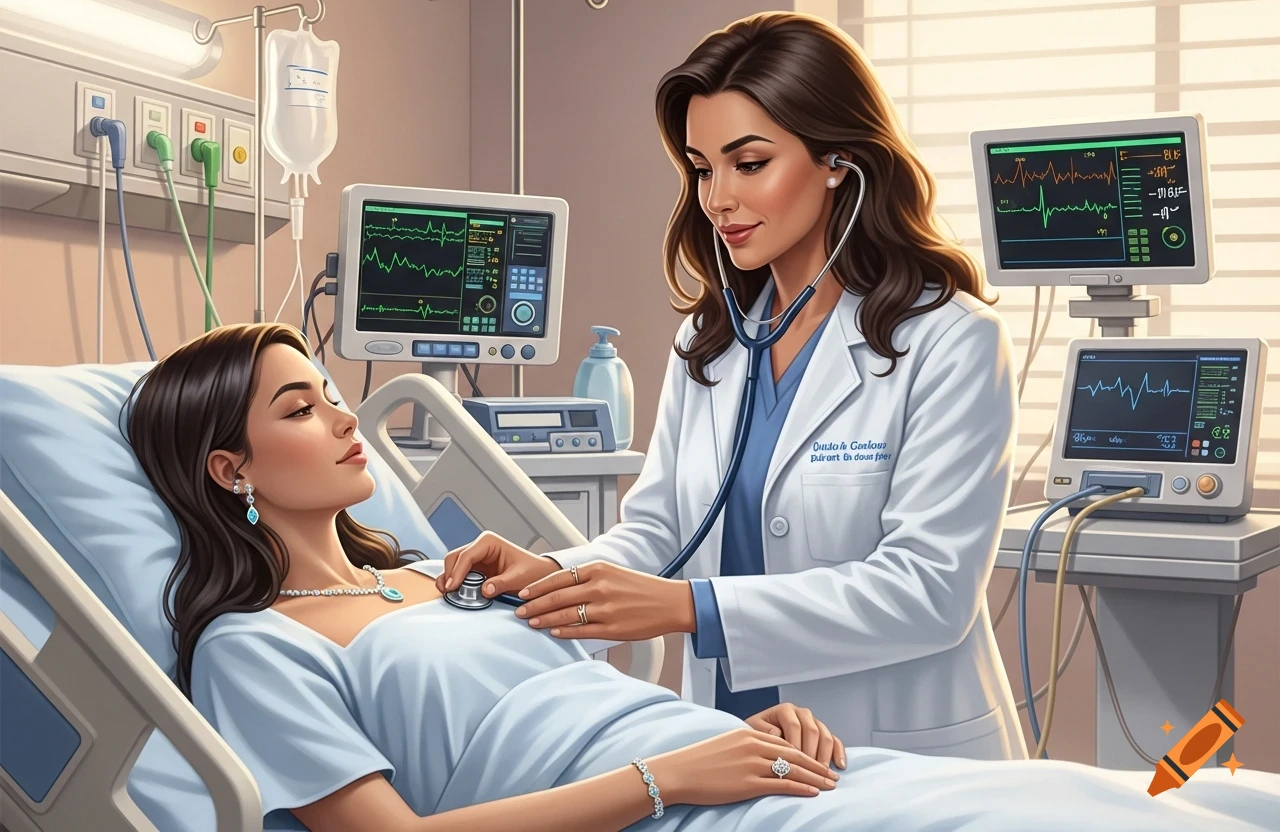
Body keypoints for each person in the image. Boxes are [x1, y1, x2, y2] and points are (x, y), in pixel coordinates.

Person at [125, 324, 1274, 832]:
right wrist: (668, 775)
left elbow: (629, 610)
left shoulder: (449, 573)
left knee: (1134, 799)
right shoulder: (254, 642)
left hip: (740, 766)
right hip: (665, 804)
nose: (341, 415)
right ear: (230, 468)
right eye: (299, 406)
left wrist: (746, 733)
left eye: (332, 392)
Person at [439, 10, 1028, 761]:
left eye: (748, 164)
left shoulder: (951, 340)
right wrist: (552, 573)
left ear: (839, 160)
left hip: (898, 754)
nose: (717, 198)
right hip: (735, 743)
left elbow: (927, 592)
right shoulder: (711, 340)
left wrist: (692, 609)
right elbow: (660, 532)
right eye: (702, 168)